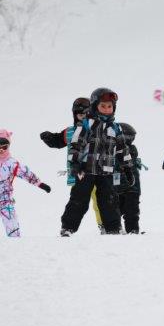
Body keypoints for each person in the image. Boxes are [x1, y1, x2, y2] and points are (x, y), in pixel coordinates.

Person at [60, 88, 133, 236]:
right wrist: (74, 163)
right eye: (103, 106)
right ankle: (68, 227)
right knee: (79, 199)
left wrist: (127, 168)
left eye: (109, 106)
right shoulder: (86, 124)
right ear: (94, 106)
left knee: (109, 201)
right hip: (85, 170)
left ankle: (113, 228)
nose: (106, 109)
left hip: (106, 171)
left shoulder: (116, 128)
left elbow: (122, 150)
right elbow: (76, 144)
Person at [40, 97, 107, 232]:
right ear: (75, 115)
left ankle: (105, 225)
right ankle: (68, 227)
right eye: (80, 115)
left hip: (96, 171)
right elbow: (58, 141)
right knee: (78, 201)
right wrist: (49, 138)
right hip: (78, 173)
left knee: (101, 199)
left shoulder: (97, 130)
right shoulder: (70, 131)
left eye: (86, 115)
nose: (83, 117)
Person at [0, 129, 51, 238]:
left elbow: (26, 173)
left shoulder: (11, 163)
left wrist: (40, 184)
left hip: (5, 195)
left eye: (5, 147)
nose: (1, 150)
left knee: (9, 215)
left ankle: (14, 238)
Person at [116, 122, 146, 233]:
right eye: (129, 137)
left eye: (131, 137)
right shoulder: (113, 150)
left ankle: (132, 230)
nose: (130, 140)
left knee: (131, 209)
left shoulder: (131, 149)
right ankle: (114, 228)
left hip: (132, 186)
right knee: (115, 208)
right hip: (119, 186)